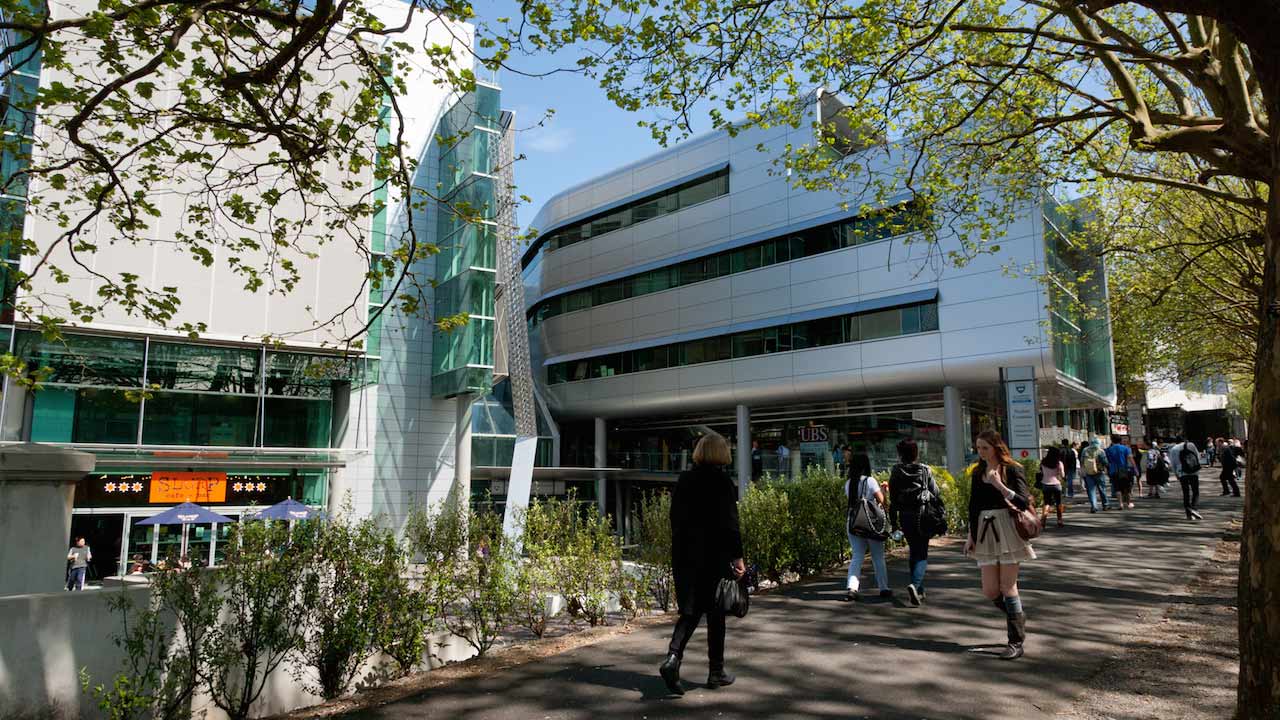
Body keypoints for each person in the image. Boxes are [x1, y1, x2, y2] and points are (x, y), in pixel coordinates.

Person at [661, 433, 745, 695]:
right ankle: (715, 672)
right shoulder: (722, 481)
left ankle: (673, 657)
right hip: (714, 556)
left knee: (691, 610)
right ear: (721, 453)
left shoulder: (684, 479)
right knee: (716, 612)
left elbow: (674, 518)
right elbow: (730, 524)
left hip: (686, 554)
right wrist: (737, 557)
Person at [964, 430, 1034, 660]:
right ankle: (1017, 616)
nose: (981, 452)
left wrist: (1000, 485)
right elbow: (973, 506)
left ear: (996, 447)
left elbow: (1023, 502)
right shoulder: (977, 472)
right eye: (978, 448)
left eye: (985, 447)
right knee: (990, 590)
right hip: (984, 529)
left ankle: (1015, 640)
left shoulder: (1013, 469)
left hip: (1007, 528)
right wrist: (971, 536)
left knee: (1008, 586)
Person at [888, 439, 939, 606]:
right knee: (922, 552)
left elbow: (893, 498)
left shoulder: (896, 471)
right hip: (923, 515)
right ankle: (915, 585)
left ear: (900, 454)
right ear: (916, 453)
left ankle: (919, 590)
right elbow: (935, 492)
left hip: (905, 516)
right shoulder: (925, 470)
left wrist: (894, 522)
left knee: (913, 550)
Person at [843, 452, 891, 602]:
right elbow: (883, 502)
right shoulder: (870, 481)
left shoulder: (848, 483)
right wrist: (884, 490)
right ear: (866, 465)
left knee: (857, 556)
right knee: (877, 556)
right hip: (871, 524)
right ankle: (883, 588)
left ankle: (852, 587)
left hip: (854, 523)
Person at [1168, 435, 1202, 521]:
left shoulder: (1173, 449)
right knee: (1195, 491)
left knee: (1186, 493)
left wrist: (1176, 474)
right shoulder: (1191, 445)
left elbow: (1172, 463)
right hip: (1193, 471)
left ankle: (1189, 515)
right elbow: (1198, 456)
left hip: (1182, 472)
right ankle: (1194, 508)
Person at [1104, 434, 1139, 509]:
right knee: (1127, 487)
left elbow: (1106, 461)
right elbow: (1131, 459)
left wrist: (1106, 470)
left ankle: (1120, 504)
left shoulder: (1108, 450)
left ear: (1112, 440)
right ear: (1120, 440)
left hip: (1113, 470)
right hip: (1124, 469)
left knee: (1117, 488)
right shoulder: (1125, 448)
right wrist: (1135, 469)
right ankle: (1129, 503)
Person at [1079, 438, 1110, 513]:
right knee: (1102, 489)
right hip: (1099, 472)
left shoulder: (1085, 450)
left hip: (1088, 473)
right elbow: (1105, 462)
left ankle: (1094, 506)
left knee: (1091, 490)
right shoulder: (1101, 451)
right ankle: (1105, 505)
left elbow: (1082, 461)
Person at [1039, 446, 1065, 528]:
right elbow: (1062, 475)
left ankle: (1043, 519)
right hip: (1056, 484)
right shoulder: (1059, 463)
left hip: (1045, 484)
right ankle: (1059, 520)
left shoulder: (1043, 462)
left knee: (1047, 503)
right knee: (1059, 503)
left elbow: (1041, 472)